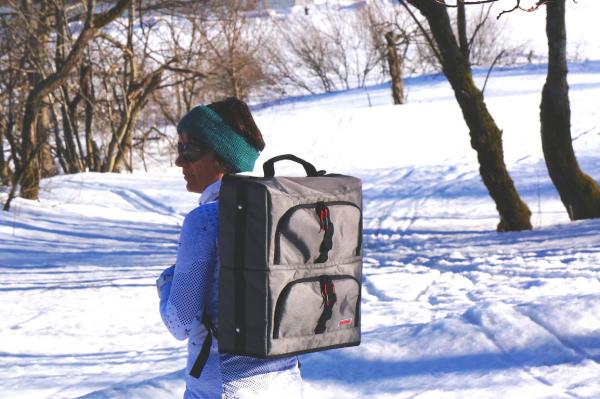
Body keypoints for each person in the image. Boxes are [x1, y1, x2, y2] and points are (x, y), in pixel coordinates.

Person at [156, 98, 304, 399]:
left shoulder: (206, 219)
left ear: (223, 159)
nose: (179, 162)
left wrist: (166, 283)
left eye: (189, 150)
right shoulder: (279, 207)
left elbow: (180, 322)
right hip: (286, 384)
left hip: (222, 388)